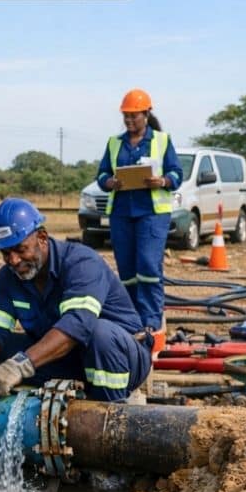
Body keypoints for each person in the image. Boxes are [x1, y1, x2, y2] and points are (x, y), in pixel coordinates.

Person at [0, 198, 152, 403]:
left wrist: (19, 365)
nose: (14, 260)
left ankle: (110, 414)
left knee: (100, 334)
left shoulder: (81, 263)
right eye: (6, 253)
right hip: (64, 358)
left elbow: (77, 326)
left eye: (20, 250)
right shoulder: (8, 276)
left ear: (42, 237)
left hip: (120, 357)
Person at [96, 88, 182, 347]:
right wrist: (110, 182)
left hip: (152, 213)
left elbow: (177, 174)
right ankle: (131, 318)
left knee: (147, 265)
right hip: (122, 212)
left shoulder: (162, 140)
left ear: (146, 114)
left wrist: (162, 180)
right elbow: (100, 176)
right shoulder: (115, 143)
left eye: (135, 116)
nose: (130, 121)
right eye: (126, 116)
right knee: (127, 270)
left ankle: (151, 321)